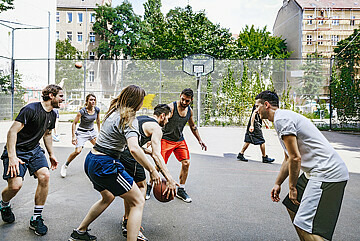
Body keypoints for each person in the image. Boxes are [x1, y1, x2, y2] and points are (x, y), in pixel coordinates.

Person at [68, 85, 161, 241]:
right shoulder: (129, 118)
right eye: (142, 100)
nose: (142, 103)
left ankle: (80, 232)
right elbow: (133, 149)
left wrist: (146, 151)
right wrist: (152, 169)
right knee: (138, 200)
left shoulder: (114, 111)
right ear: (136, 101)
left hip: (92, 159)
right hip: (105, 164)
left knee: (108, 197)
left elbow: (122, 142)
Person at [254, 90, 349, 241]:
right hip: (314, 172)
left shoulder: (282, 119)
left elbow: (295, 158)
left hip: (326, 173)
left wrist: (292, 187)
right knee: (292, 207)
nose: (256, 111)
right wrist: (278, 183)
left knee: (304, 224)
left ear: (266, 105)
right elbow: (288, 158)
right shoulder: (282, 118)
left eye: (257, 106)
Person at [0, 84, 64, 236]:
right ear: (51, 96)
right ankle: (4, 205)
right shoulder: (31, 109)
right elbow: (12, 132)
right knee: (15, 186)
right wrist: (12, 156)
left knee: (45, 176)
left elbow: (47, 134)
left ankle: (36, 218)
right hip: (18, 151)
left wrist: (51, 154)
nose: (63, 99)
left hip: (34, 150)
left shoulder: (53, 114)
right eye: (61, 96)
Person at [120, 104, 178, 240]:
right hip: (130, 155)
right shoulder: (157, 128)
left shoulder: (142, 119)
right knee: (141, 188)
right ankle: (134, 228)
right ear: (162, 116)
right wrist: (169, 178)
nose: (167, 122)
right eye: (168, 118)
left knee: (131, 187)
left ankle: (127, 220)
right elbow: (158, 155)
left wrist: (148, 151)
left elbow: (135, 141)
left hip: (121, 152)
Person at [146, 88, 207, 203]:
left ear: (191, 100)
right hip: (166, 139)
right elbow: (159, 121)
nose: (184, 102)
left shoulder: (190, 111)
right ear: (180, 96)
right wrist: (152, 137)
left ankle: (181, 189)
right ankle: (149, 185)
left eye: (187, 101)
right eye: (183, 99)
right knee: (159, 165)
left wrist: (200, 140)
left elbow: (193, 126)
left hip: (179, 140)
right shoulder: (172, 107)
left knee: (186, 162)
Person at [61, 94, 100, 178]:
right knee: (78, 151)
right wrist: (73, 136)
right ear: (87, 101)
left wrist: (100, 132)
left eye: (94, 100)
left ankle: (96, 167)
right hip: (82, 133)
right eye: (91, 100)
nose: (93, 101)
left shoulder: (97, 110)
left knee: (100, 148)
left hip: (92, 132)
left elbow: (98, 120)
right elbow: (74, 123)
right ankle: (65, 165)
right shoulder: (82, 111)